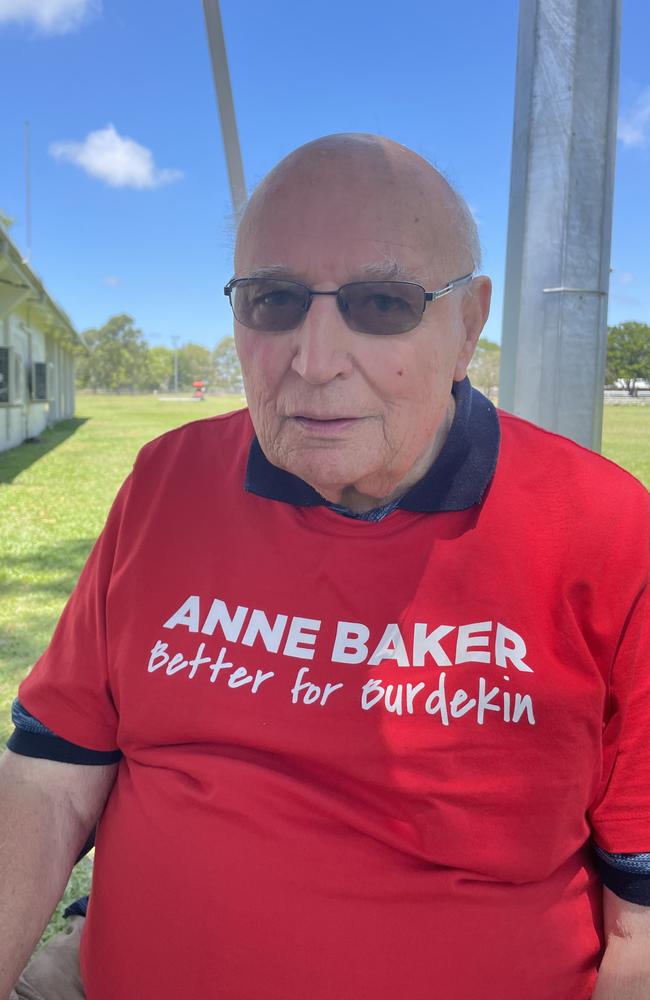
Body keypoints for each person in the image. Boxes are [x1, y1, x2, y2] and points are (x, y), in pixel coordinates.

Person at [1, 133, 649, 1000]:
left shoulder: (608, 533)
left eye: (382, 303)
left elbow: (638, 918)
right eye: (273, 301)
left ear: (468, 323)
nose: (314, 360)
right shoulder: (167, 482)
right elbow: (48, 780)